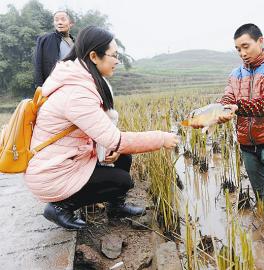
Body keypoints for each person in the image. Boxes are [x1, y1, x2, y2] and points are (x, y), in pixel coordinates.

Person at [24, 26, 179, 230]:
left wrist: (109, 149)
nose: (117, 61)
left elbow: (93, 131)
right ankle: (61, 207)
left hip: (68, 159)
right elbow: (117, 140)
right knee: (122, 180)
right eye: (114, 55)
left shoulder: (81, 79)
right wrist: (162, 138)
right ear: (94, 56)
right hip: (53, 173)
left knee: (123, 156)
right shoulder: (77, 92)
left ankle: (116, 206)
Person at [214, 23, 264, 246]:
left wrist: (236, 107)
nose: (242, 53)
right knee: (260, 192)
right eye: (238, 49)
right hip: (247, 144)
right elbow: (227, 99)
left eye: (246, 46)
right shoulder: (235, 74)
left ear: (260, 41)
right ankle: (263, 230)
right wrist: (218, 112)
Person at [34, 10, 75, 87]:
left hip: (71, 85)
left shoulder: (76, 43)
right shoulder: (45, 39)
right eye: (56, 20)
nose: (59, 22)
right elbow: (38, 64)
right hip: (52, 85)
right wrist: (40, 86)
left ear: (71, 23)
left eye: (63, 19)